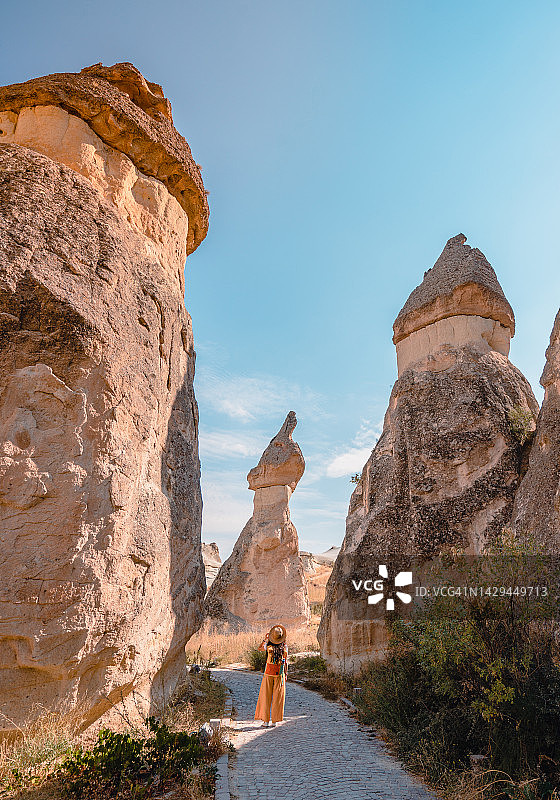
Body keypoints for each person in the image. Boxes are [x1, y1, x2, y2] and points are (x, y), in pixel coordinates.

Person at [254, 624, 288, 727]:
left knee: (265, 696)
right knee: (278, 697)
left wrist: (265, 639)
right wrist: (285, 674)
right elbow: (285, 662)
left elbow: (259, 648)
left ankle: (265, 721)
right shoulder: (284, 647)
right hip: (279, 674)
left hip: (268, 673)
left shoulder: (268, 647)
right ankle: (274, 721)